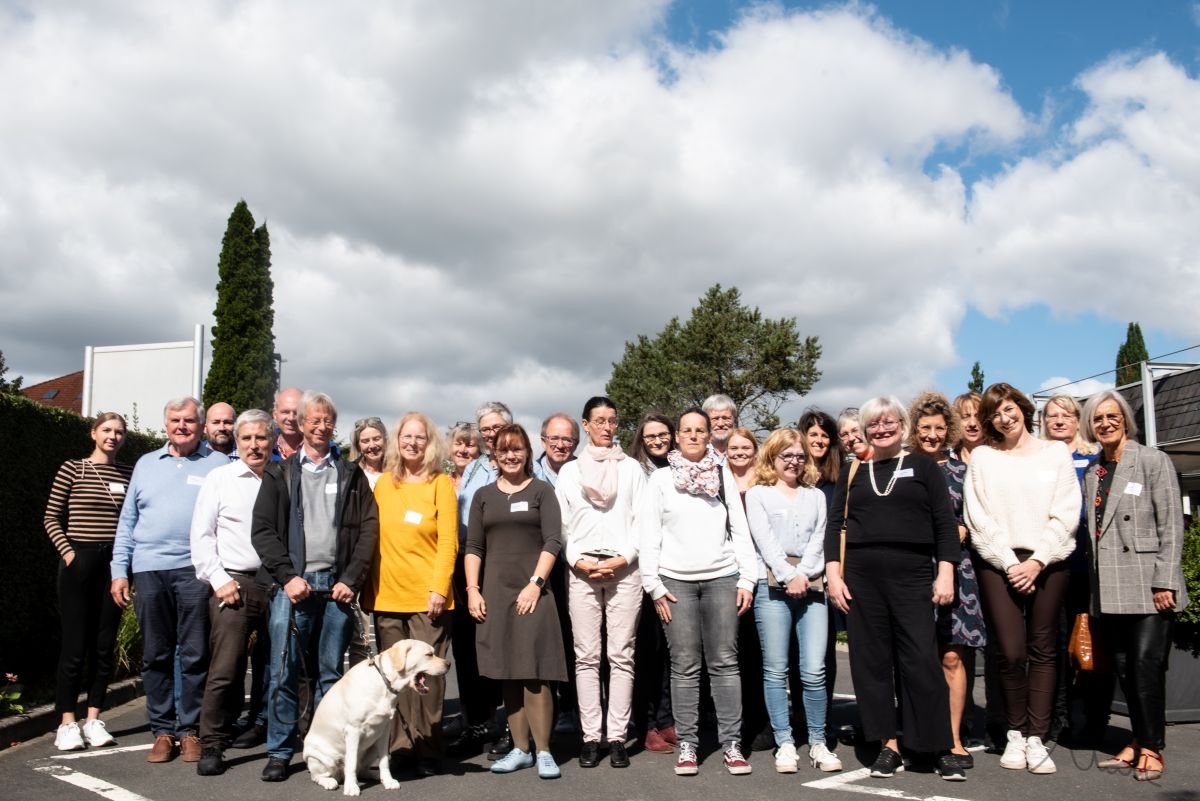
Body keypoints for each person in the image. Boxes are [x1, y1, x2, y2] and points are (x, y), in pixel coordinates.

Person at [824, 396, 962, 781]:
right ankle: (888, 744)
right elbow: (835, 527)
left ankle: (937, 746)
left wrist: (946, 572)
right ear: (865, 430)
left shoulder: (922, 466)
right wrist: (834, 576)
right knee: (871, 664)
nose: (881, 429)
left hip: (913, 574)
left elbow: (944, 524)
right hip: (862, 580)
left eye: (889, 423)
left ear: (902, 424)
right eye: (874, 425)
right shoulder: (854, 471)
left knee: (920, 660)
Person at [251, 391, 380, 782]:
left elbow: (369, 530)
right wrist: (287, 577)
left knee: (330, 675)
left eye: (328, 421)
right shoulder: (280, 473)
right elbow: (263, 531)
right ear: (301, 424)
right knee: (283, 671)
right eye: (314, 420)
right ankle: (279, 750)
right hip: (294, 588)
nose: (321, 427)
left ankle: (326, 751)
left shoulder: (351, 474)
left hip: (337, 590)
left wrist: (350, 580)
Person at [963, 383, 1080, 775]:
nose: (1004, 418)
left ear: (1023, 409)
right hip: (999, 562)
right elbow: (978, 516)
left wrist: (1039, 560)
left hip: (1048, 561)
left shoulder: (1055, 453)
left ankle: (1036, 737)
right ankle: (1015, 730)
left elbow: (1067, 512)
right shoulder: (982, 457)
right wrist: (1011, 563)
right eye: (995, 413)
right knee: (1011, 652)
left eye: (1009, 409)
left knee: (1044, 649)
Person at [639, 408, 757, 777]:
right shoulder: (660, 480)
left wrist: (747, 580)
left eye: (699, 430)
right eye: (686, 430)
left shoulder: (721, 473)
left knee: (724, 662)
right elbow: (648, 535)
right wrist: (653, 586)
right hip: (674, 584)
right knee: (685, 665)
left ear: (709, 435)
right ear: (677, 436)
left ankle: (731, 744)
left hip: (722, 579)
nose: (692, 435)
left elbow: (740, 529)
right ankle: (688, 743)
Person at [110, 397, 225, 764]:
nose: (182, 426)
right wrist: (118, 570)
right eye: (175, 420)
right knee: (157, 653)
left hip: (195, 571)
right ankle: (162, 730)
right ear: (165, 425)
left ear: (201, 425)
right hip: (149, 570)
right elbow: (127, 522)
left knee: (193, 654)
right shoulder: (146, 464)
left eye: (189, 420)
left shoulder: (218, 465)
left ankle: (189, 730)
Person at [1083, 390, 1189, 782]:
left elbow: (1172, 524)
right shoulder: (1093, 471)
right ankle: (1138, 739)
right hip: (1111, 587)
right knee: (1126, 669)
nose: (1106, 423)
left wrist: (1166, 580)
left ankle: (1152, 748)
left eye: (1113, 416)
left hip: (1149, 584)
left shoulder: (1151, 460)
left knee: (1146, 664)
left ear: (1126, 419)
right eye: (1098, 419)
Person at [465, 424, 568, 779]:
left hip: (534, 592)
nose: (511, 455)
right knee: (507, 672)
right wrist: (472, 589)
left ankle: (543, 751)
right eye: (504, 450)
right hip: (494, 593)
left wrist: (535, 584)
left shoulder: (542, 492)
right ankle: (520, 749)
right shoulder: (482, 495)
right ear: (494, 454)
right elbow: (473, 547)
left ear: (527, 453)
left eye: (517, 449)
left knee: (535, 672)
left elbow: (553, 541)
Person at [555, 397, 646, 769]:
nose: (607, 427)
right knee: (587, 657)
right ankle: (591, 736)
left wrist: (623, 558)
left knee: (621, 655)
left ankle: (617, 736)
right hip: (582, 569)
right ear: (586, 424)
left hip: (625, 568)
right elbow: (562, 525)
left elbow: (643, 521)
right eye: (600, 421)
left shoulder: (633, 470)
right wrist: (578, 560)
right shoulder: (570, 472)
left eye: (612, 420)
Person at [365, 412, 458, 775]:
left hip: (427, 599)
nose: (413, 442)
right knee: (396, 677)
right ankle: (401, 746)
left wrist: (439, 588)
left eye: (420, 437)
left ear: (430, 443)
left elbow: (449, 541)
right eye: (407, 436)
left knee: (429, 676)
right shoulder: (384, 485)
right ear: (397, 440)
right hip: (387, 596)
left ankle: (429, 748)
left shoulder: (440, 485)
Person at [745, 428, 841, 774]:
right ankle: (784, 742)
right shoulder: (758, 495)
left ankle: (817, 741)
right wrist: (789, 575)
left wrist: (807, 574)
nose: (794, 462)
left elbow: (821, 538)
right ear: (773, 457)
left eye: (799, 456)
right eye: (787, 455)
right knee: (775, 670)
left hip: (813, 585)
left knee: (814, 670)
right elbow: (765, 542)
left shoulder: (816, 496)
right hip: (770, 587)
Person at [189, 410, 277, 775]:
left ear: (271, 441)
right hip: (233, 584)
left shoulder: (282, 478)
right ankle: (213, 744)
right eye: (246, 439)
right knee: (226, 669)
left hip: (276, 583)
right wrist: (219, 579)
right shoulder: (220, 478)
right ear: (236, 442)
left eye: (260, 438)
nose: (254, 445)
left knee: (273, 667)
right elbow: (201, 534)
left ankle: (267, 730)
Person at [45, 412, 134, 752]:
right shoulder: (74, 468)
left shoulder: (128, 472)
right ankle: (67, 722)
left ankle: (94, 718)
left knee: (103, 645)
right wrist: (69, 554)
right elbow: (51, 516)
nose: (113, 436)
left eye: (120, 432)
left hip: (113, 564)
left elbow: (131, 519)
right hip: (78, 561)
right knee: (74, 647)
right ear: (93, 433)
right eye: (107, 430)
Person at [907, 391, 985, 769]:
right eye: (925, 427)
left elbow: (980, 518)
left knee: (952, 656)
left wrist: (965, 530)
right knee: (915, 657)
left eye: (939, 428)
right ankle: (921, 733)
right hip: (911, 570)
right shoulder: (902, 468)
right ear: (914, 429)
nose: (932, 434)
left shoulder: (963, 472)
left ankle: (954, 738)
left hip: (955, 569)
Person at [1040, 394, 1106, 745]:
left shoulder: (1094, 456)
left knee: (1093, 645)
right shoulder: (1039, 460)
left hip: (1091, 568)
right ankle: (1059, 717)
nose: (1059, 421)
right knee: (1054, 643)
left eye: (1066, 415)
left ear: (1078, 419)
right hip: (1053, 566)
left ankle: (1093, 717)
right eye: (1052, 416)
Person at [452, 402, 511, 755]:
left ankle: (509, 726)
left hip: (505, 565)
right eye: (485, 429)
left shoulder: (525, 464)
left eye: (496, 427)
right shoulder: (472, 468)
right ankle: (476, 722)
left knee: (503, 646)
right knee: (467, 647)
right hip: (467, 564)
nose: (490, 434)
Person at [628, 413, 678, 753]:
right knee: (646, 652)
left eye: (663, 434)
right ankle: (645, 724)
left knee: (672, 652)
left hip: (675, 569)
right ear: (641, 441)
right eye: (650, 436)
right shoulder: (635, 471)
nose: (657, 440)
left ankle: (667, 718)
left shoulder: (684, 467)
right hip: (642, 571)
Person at [534, 413, 579, 487]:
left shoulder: (587, 474)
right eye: (554, 438)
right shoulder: (528, 475)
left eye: (567, 440)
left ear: (576, 444)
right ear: (543, 442)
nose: (560, 445)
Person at [350, 417, 388, 491]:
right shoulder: (351, 476)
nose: (372, 445)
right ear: (358, 446)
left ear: (385, 441)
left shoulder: (398, 474)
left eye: (376, 439)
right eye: (366, 441)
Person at [271, 388, 303, 460]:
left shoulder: (322, 450)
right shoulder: (265, 448)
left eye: (296, 413)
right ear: (275, 415)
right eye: (285, 412)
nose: (291, 418)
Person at [953, 392, 985, 464]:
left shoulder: (998, 457)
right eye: (966, 417)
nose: (972, 423)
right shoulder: (946, 460)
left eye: (978, 417)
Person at [702, 394, 738, 459]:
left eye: (725, 418)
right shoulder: (697, 453)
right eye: (715, 418)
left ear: (734, 420)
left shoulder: (745, 453)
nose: (720, 424)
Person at [448, 423, 481, 490]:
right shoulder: (443, 480)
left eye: (469, 445)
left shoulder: (485, 481)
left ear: (480, 450)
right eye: (458, 444)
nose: (462, 450)